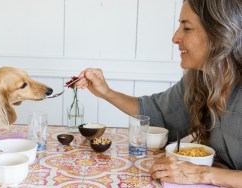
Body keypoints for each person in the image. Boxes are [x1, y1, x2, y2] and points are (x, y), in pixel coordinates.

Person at [75, 0, 242, 187]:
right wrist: (106, 92)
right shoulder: (200, 80)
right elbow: (156, 111)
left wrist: (204, 173)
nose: (175, 37)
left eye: (186, 28)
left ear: (220, 34)